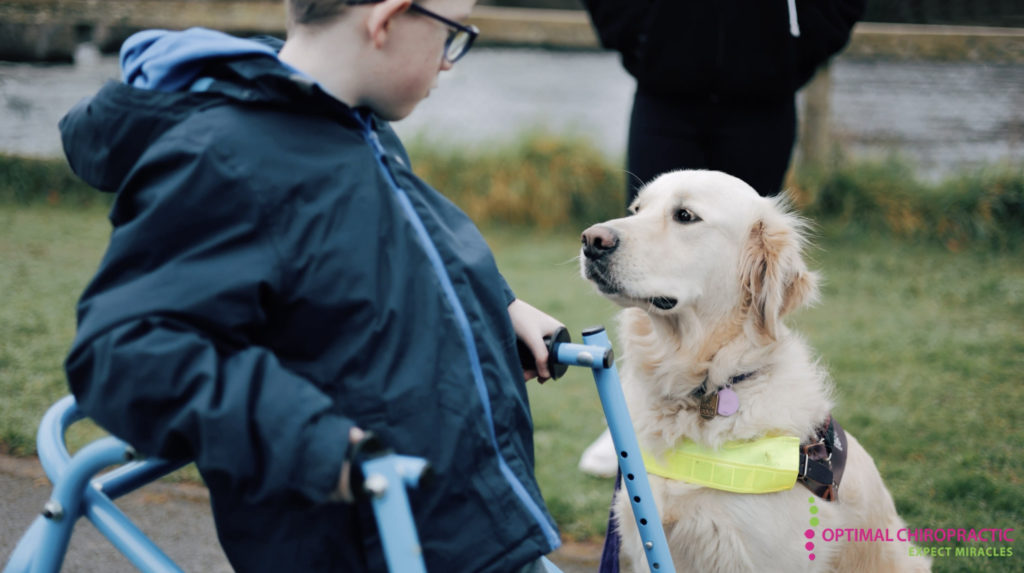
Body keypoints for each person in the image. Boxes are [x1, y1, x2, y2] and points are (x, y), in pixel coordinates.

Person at [58, 1, 565, 570]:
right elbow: (125, 351)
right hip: (365, 543)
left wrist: (501, 304)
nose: (448, 64)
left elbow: (396, 258)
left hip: (468, 528)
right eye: (451, 36)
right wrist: (316, 446)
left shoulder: (357, 129)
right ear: (387, 20)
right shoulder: (230, 156)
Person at [576, 0, 865, 477]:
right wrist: (643, 32)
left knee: (739, 274)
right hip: (664, 87)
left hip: (763, 94)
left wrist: (794, 45)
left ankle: (744, 408)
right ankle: (638, 411)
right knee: (650, 255)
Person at [581, 0, 866, 202]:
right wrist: (640, 31)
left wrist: (799, 42)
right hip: (664, 102)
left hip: (763, 107)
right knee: (649, 247)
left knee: (748, 255)